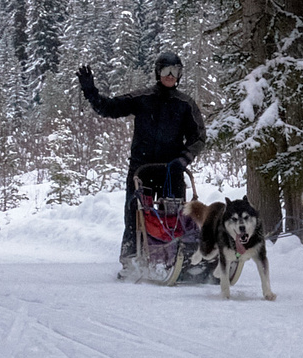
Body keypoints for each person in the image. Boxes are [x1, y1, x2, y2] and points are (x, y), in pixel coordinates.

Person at [77, 52, 207, 275]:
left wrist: (183, 159)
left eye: (175, 71)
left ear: (180, 75)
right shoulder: (143, 97)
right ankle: (131, 262)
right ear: (158, 73)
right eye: (166, 70)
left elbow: (199, 137)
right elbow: (109, 108)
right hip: (142, 169)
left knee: (175, 216)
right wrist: (91, 91)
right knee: (135, 213)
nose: (170, 75)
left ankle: (177, 259)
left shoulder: (185, 104)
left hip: (171, 170)